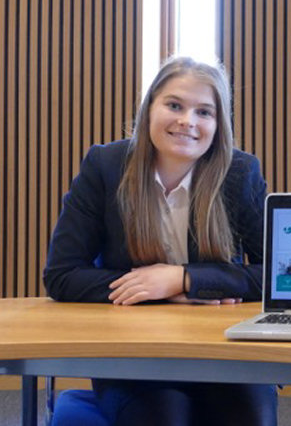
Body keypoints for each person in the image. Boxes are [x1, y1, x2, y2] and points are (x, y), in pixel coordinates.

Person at [44, 57, 277, 425]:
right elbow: (62, 274)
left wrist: (184, 279)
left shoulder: (239, 172)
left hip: (223, 350)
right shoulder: (105, 165)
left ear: (218, 125)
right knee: (164, 417)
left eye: (204, 112)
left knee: (248, 417)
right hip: (135, 352)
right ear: (149, 107)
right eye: (174, 105)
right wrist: (157, 290)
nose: (188, 121)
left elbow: (278, 276)